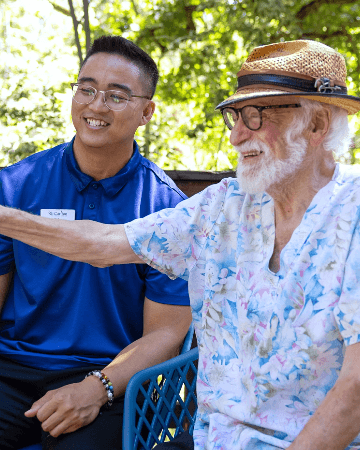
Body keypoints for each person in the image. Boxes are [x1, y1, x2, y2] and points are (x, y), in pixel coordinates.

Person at [0, 39, 360, 450]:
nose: (238, 137)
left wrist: (96, 386)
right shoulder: (224, 204)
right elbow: (102, 243)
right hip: (213, 439)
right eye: (235, 117)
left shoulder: (353, 215)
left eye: (257, 117)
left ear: (317, 125)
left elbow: (356, 390)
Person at [0, 35, 191, 450]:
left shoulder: (168, 210)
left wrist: (96, 389)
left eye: (116, 96)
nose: (96, 105)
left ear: (147, 111)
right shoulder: (14, 186)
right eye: (86, 89)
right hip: (10, 370)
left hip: (109, 380)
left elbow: (166, 334)